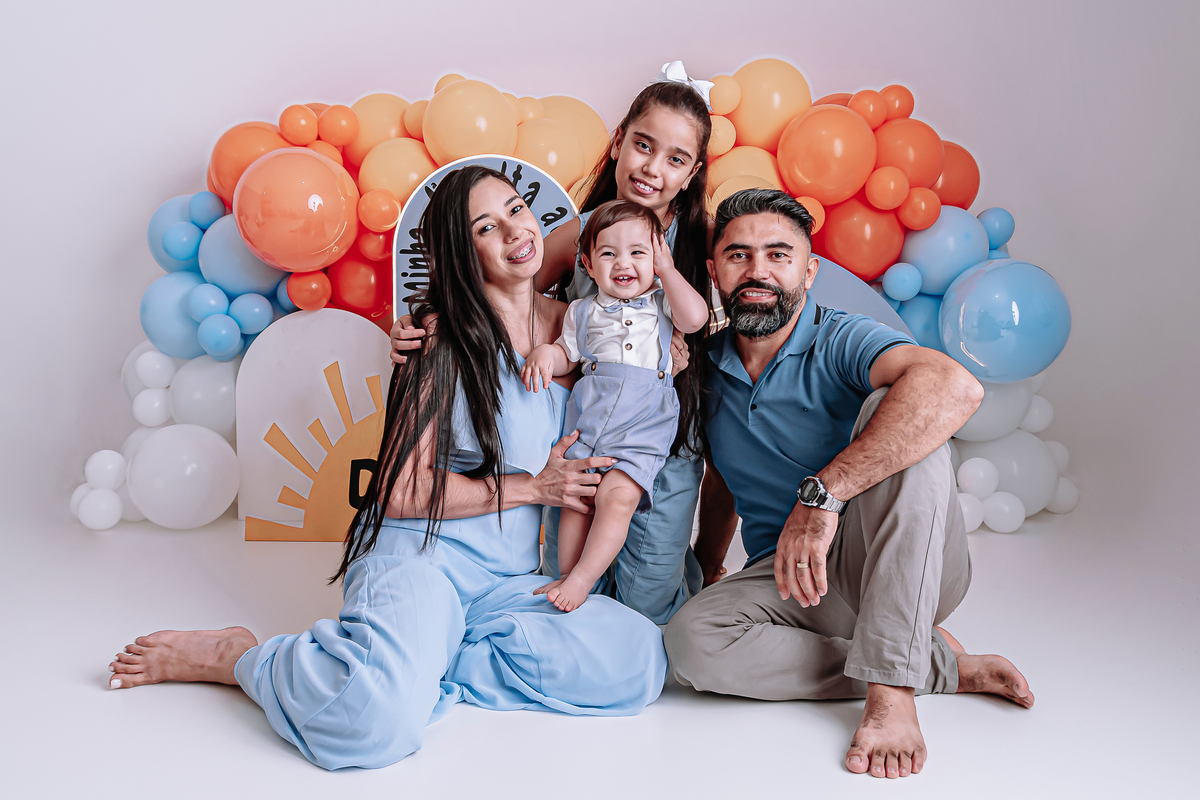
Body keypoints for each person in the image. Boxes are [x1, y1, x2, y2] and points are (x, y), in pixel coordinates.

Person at [107, 166, 668, 771]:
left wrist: (671, 351)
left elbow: (648, 357)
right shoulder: (441, 339)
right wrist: (533, 488)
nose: (515, 231)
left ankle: (424, 659)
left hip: (505, 585)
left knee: (637, 658)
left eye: (515, 209)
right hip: (425, 560)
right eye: (485, 227)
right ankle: (242, 657)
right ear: (463, 252)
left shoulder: (585, 324)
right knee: (372, 724)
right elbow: (401, 491)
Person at [663, 189, 1035, 779]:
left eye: (778, 255)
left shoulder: (841, 338)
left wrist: (824, 496)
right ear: (714, 272)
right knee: (691, 643)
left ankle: (892, 693)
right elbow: (724, 478)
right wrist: (708, 566)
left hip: (900, 558)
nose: (758, 271)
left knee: (902, 408)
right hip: (797, 581)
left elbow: (956, 387)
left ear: (809, 271)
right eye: (738, 255)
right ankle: (933, 663)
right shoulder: (704, 365)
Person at [395, 70, 715, 624]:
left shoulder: (699, 243)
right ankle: (571, 621)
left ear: (692, 174)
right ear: (617, 142)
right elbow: (502, 292)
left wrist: (677, 350)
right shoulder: (578, 234)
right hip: (589, 421)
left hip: (662, 436)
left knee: (647, 594)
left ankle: (659, 613)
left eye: (675, 159)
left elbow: (712, 328)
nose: (652, 169)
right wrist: (422, 320)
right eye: (643, 146)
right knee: (570, 560)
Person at [521, 200, 709, 611]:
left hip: (642, 427)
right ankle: (567, 576)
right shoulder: (582, 311)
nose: (623, 263)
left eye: (638, 252)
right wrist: (546, 355)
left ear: (656, 257)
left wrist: (668, 271)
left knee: (617, 497)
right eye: (608, 253)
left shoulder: (662, 303)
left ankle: (583, 579)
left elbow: (695, 319)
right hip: (588, 423)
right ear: (588, 265)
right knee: (577, 500)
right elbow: (567, 355)